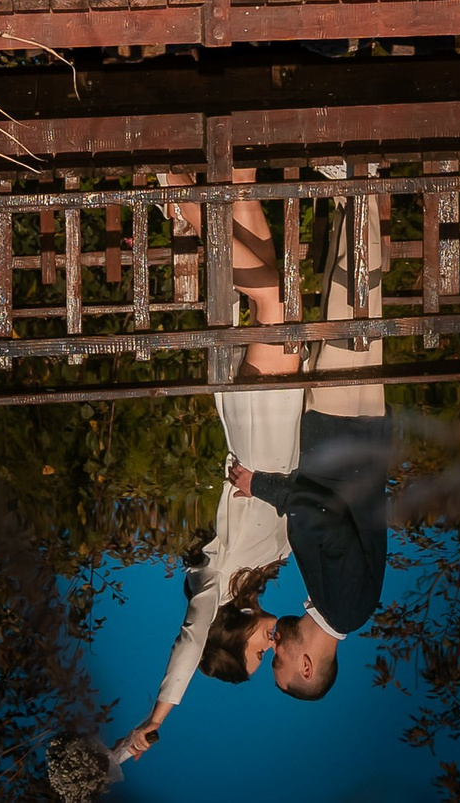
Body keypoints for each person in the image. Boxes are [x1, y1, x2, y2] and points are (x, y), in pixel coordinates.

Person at [224, 176, 390, 699]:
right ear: (307, 667)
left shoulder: (338, 604)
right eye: (280, 661)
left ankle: (351, 195)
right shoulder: (345, 607)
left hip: (347, 439)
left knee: (349, 308)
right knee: (354, 305)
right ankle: (363, 181)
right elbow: (324, 520)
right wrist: (262, 487)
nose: (276, 647)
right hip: (345, 436)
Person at [112, 383, 305, 759]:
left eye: (259, 654)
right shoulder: (259, 573)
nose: (270, 646)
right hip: (292, 437)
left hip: (260, 433)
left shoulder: (213, 587)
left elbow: (191, 641)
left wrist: (155, 719)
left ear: (231, 638)